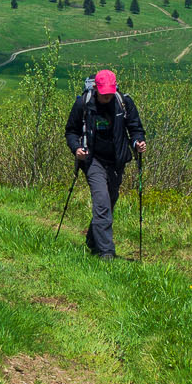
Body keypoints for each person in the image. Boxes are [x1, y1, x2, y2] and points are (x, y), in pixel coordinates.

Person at [64, 68, 146, 258]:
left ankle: (93, 240)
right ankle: (106, 253)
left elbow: (135, 128)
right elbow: (71, 131)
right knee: (101, 203)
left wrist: (137, 142)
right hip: (92, 160)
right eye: (104, 94)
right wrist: (76, 148)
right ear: (96, 89)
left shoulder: (123, 102)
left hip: (116, 161)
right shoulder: (83, 103)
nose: (107, 97)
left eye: (110, 93)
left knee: (109, 202)